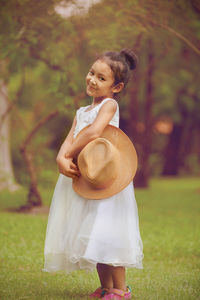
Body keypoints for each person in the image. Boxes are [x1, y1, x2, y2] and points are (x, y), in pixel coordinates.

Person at [42, 48, 144, 299]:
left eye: (101, 78)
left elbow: (93, 133)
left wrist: (68, 154)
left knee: (108, 230)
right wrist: (61, 157)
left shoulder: (109, 105)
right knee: (91, 230)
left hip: (107, 180)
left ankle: (120, 289)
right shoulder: (81, 112)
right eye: (91, 73)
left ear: (116, 87)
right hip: (87, 177)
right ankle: (106, 286)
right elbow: (71, 138)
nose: (92, 80)